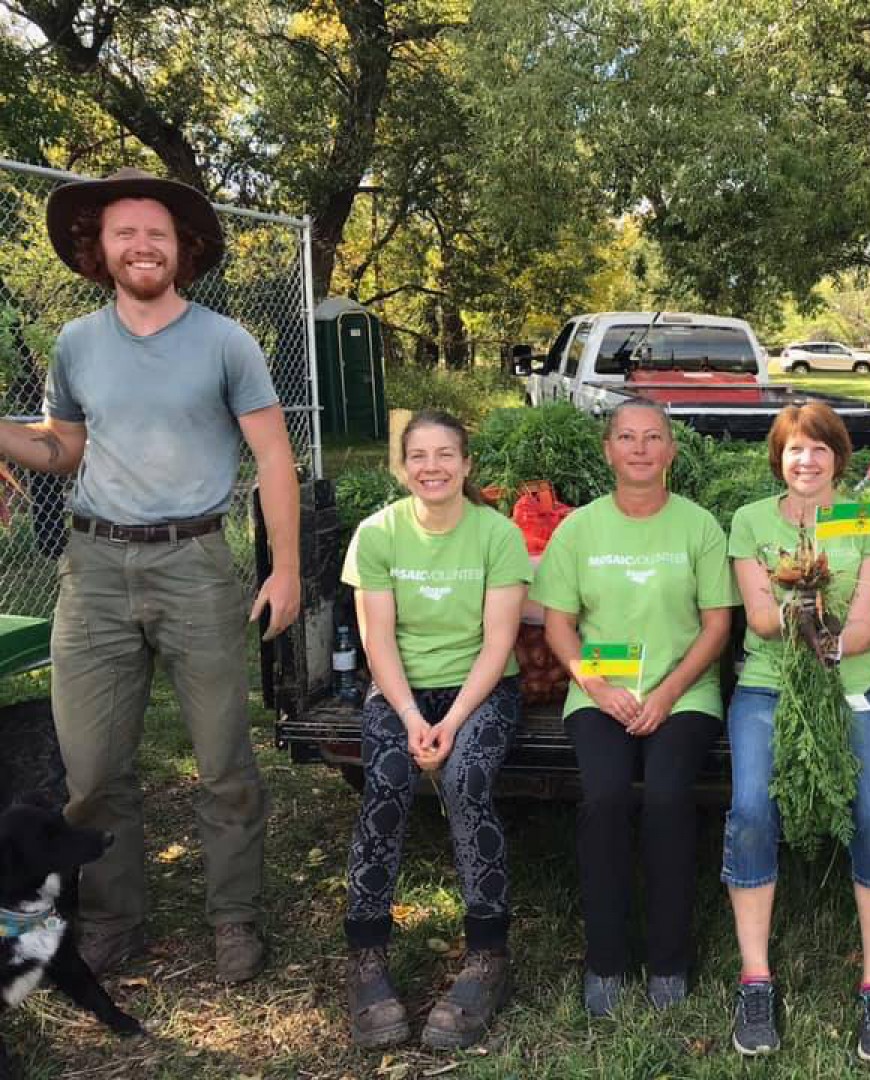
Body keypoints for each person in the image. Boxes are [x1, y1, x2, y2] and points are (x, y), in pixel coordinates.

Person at [0, 167, 300, 983]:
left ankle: (235, 918)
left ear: (183, 250)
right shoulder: (75, 343)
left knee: (224, 762)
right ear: (98, 249)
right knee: (92, 771)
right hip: (93, 569)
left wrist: (285, 569)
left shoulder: (226, 341)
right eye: (125, 232)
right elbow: (64, 448)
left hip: (196, 564)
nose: (142, 244)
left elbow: (274, 456)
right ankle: (111, 916)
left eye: (157, 234)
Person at [531, 399, 733, 1017]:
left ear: (671, 452)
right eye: (626, 437)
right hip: (600, 691)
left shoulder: (699, 526)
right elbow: (560, 627)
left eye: (652, 438)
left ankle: (669, 959)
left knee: (670, 797)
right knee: (607, 796)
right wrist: (597, 686)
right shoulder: (579, 529)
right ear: (608, 451)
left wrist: (669, 693)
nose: (640, 448)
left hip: (685, 691)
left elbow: (717, 624)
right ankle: (607, 959)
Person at [724, 402, 870, 1065]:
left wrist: (833, 646)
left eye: (819, 449)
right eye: (794, 449)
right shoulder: (750, 522)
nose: (806, 461)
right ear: (779, 457)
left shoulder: (867, 521)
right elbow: (763, 620)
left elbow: (865, 624)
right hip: (769, 685)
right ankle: (755, 979)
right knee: (749, 810)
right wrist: (802, 604)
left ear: (839, 457)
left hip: (850, 683)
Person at [340, 410, 530, 1050]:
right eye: (418, 456)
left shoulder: (496, 535)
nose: (432, 468)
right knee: (387, 783)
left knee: (467, 779)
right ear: (402, 466)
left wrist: (449, 722)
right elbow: (379, 641)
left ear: (467, 463)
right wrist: (414, 718)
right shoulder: (376, 534)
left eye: (445, 454)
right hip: (400, 690)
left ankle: (487, 955)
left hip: (482, 689)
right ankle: (366, 955)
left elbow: (499, 642)